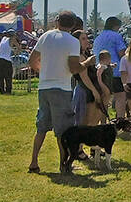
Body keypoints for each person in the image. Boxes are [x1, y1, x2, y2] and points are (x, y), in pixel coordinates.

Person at [29, 11, 91, 174]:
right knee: (62, 130)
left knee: (41, 127)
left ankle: (34, 162)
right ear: (73, 25)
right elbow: (74, 67)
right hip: (61, 88)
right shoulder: (72, 41)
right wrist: (87, 63)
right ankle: (64, 165)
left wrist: (43, 72)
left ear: (57, 22)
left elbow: (32, 60)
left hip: (44, 87)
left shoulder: (45, 37)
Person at [94, 17, 129, 117]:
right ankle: (120, 119)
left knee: (104, 98)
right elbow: (122, 53)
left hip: (100, 71)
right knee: (120, 96)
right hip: (115, 71)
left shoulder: (98, 37)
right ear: (115, 26)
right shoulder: (116, 36)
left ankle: (103, 121)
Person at [0, 30, 17, 95]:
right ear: (13, 35)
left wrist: (12, 49)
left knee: (0, 76)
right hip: (7, 60)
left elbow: (6, 48)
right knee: (8, 76)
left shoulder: (3, 39)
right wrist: (16, 51)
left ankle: (1, 91)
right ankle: (8, 91)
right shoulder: (12, 39)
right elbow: (18, 47)